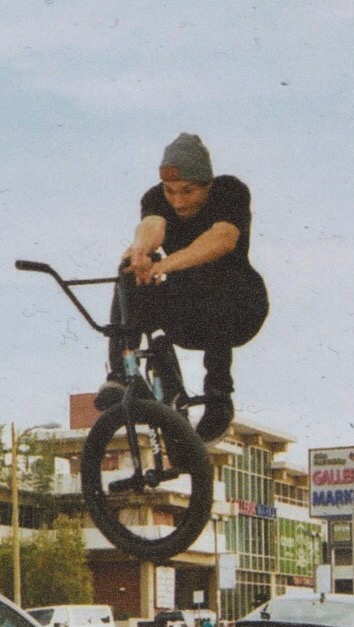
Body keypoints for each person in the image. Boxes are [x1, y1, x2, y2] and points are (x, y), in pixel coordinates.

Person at [95, 133, 269, 443]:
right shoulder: (156, 199)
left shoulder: (230, 191)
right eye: (170, 191)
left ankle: (219, 394)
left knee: (211, 270)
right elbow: (152, 226)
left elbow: (223, 239)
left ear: (208, 184)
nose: (178, 202)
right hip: (187, 315)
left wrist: (167, 263)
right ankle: (127, 373)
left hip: (239, 307)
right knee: (129, 268)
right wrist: (140, 251)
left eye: (188, 192)